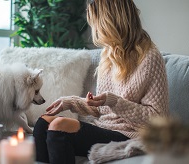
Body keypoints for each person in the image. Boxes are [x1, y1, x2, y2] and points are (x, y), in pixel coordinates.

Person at [33, 0, 169, 163]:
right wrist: (72, 102)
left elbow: (158, 118)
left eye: (96, 23)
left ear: (110, 22)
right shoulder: (108, 54)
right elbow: (102, 109)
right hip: (104, 128)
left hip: (132, 134)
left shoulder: (150, 57)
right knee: (42, 124)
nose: (95, 29)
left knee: (59, 126)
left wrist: (114, 101)